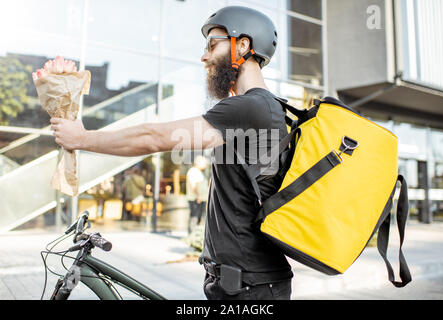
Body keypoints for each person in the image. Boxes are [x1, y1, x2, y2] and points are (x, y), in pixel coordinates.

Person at [50, 5, 293, 300]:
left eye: (212, 45)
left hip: (250, 286)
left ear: (243, 45)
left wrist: (82, 138)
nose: (204, 55)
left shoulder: (252, 107)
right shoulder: (257, 108)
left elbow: (152, 138)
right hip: (240, 281)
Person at [186, 155, 208, 234]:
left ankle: (195, 235)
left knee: (198, 218)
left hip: (200, 199)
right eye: (204, 163)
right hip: (195, 199)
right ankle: (192, 236)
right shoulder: (193, 171)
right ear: (198, 163)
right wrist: (198, 196)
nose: (206, 164)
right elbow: (193, 185)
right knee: (194, 218)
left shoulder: (200, 172)